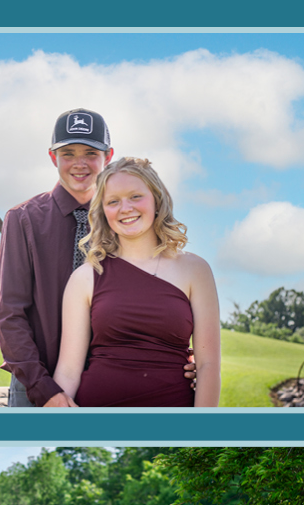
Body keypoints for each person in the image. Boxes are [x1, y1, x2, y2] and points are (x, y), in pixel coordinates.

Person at [0, 109, 194, 407]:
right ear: (53, 158)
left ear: (108, 156)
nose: (79, 163)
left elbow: (156, 294)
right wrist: (43, 387)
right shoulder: (22, 220)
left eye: (90, 152)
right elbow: (10, 314)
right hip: (38, 385)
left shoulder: (125, 218)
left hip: (116, 384)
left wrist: (184, 356)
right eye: (68, 153)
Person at [52, 156, 221, 407]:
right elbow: (67, 370)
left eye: (135, 196)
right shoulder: (86, 277)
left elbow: (208, 366)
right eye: (113, 201)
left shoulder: (195, 270)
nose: (125, 208)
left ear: (156, 199)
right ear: (103, 211)